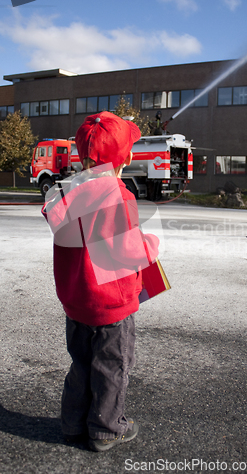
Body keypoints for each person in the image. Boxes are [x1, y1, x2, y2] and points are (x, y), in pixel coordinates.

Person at [42, 111, 159, 452]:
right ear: (128, 157)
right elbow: (128, 250)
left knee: (80, 364)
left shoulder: (66, 193)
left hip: (76, 302)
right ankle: (107, 428)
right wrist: (151, 244)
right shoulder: (120, 197)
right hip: (111, 306)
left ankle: (73, 424)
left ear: (82, 155)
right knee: (112, 366)